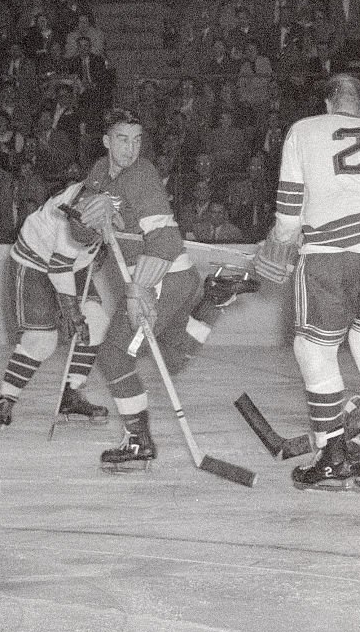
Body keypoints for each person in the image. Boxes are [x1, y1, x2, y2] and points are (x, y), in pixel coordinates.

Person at [254, 74, 360, 490]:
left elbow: (289, 214)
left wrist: (279, 242)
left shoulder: (303, 130)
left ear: (327, 104)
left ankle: (332, 455)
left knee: (313, 348)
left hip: (330, 255)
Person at [78, 111, 255, 467]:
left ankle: (138, 441)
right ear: (106, 141)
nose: (131, 148)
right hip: (178, 280)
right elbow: (82, 233)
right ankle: (211, 300)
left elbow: (165, 240)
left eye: (137, 139)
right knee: (172, 360)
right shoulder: (99, 172)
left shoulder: (141, 176)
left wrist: (136, 292)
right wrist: (86, 218)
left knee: (114, 357)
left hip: (161, 279)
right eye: (123, 139)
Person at [0, 181, 111, 430]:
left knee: (96, 323)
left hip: (73, 264)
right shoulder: (67, 225)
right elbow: (59, 269)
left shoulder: (111, 204)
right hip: (35, 262)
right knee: (41, 340)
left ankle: (72, 393)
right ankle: (6, 398)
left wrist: (102, 246)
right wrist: (73, 314)